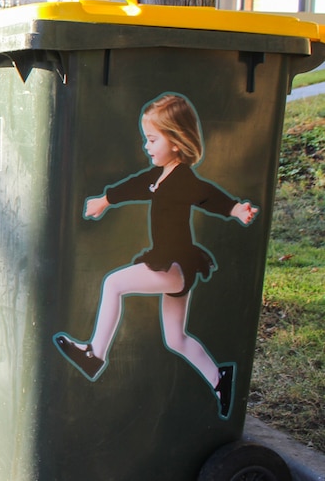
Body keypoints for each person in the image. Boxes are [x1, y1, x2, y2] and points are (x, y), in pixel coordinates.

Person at [53, 93, 259, 420]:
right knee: (176, 338)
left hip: (174, 265)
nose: (146, 147)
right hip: (176, 266)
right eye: (145, 139)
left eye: (152, 139)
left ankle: (94, 353)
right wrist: (106, 199)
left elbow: (208, 196)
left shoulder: (183, 179)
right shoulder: (158, 176)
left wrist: (235, 209)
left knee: (114, 283)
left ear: (176, 142)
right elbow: (135, 186)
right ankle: (220, 379)